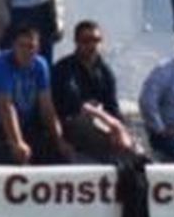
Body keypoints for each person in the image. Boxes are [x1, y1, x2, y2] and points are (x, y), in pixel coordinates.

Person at [0, 25, 71, 165]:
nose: (27, 51)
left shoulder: (40, 66)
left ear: (38, 48)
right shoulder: (0, 65)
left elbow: (47, 107)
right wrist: (17, 142)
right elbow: (6, 107)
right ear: (14, 46)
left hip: (19, 127)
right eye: (22, 46)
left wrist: (59, 140)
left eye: (31, 46)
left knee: (56, 155)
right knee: (16, 156)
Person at [50, 20, 139, 162]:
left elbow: (112, 108)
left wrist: (121, 129)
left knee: (134, 147)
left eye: (96, 40)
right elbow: (76, 105)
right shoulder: (63, 69)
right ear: (76, 42)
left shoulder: (104, 71)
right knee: (108, 139)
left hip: (100, 121)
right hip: (70, 124)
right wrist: (114, 126)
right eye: (86, 41)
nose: (92, 45)